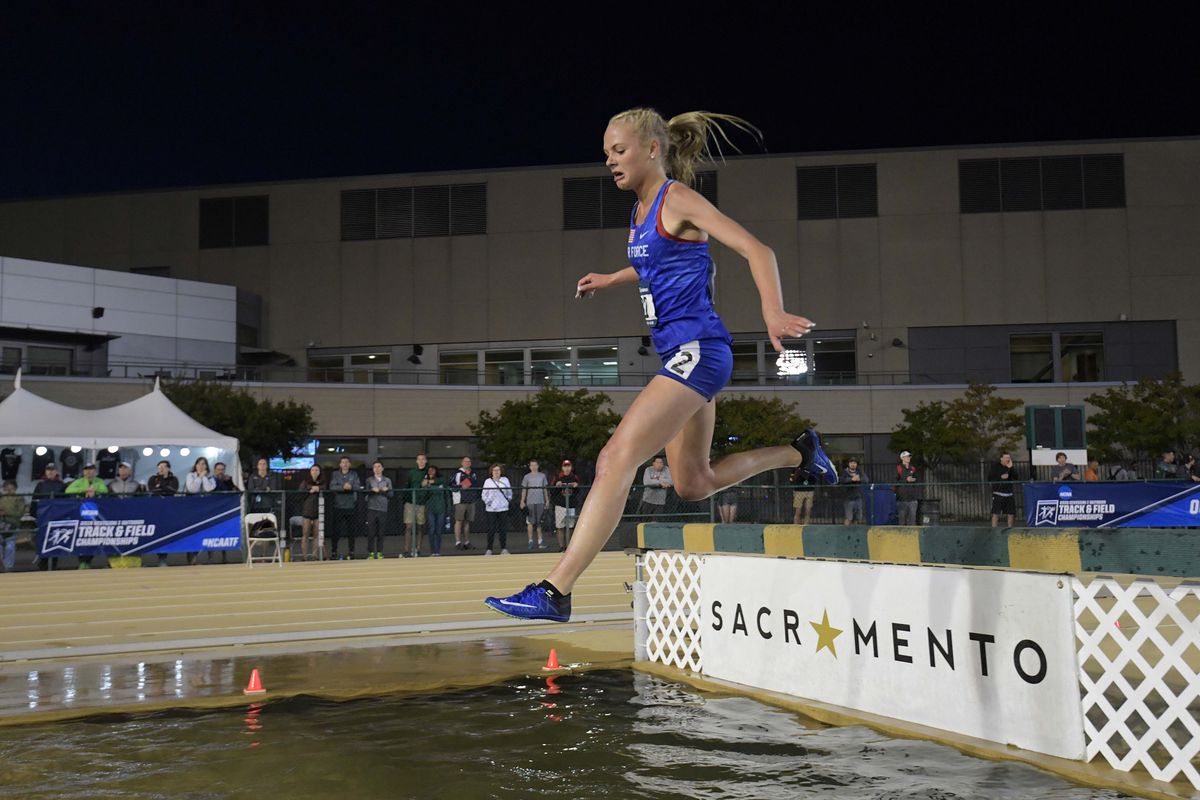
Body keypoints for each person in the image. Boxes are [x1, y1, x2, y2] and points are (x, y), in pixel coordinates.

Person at [486, 108, 836, 623]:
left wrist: (772, 310)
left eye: (619, 150)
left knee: (613, 460)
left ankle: (555, 591)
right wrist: (611, 278)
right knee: (693, 483)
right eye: (605, 153)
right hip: (685, 356)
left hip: (699, 352)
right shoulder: (641, 211)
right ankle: (800, 454)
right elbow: (655, 260)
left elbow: (756, 249)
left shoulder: (679, 199)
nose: (609, 161)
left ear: (652, 149)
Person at [66, 463, 109, 568]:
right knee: (80, 538)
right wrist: (84, 490)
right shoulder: (79, 481)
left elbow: (105, 490)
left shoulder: (99, 481)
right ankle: (82, 562)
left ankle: (87, 562)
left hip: (95, 515)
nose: (89, 472)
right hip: (81, 515)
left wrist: (95, 491)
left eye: (91, 469)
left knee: (92, 538)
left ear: (95, 471)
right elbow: (68, 490)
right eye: (86, 469)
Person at [32, 463, 66, 571]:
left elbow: (66, 501)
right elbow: (34, 501)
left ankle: (53, 565)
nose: (50, 472)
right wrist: (34, 514)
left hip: (57, 518)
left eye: (52, 470)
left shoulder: (61, 485)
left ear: (56, 471)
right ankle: (43, 564)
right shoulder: (40, 485)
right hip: (43, 518)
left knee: (55, 541)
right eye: (48, 470)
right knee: (43, 541)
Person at [183, 457, 215, 565]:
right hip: (192, 508)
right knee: (193, 532)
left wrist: (204, 477)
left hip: (207, 508)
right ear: (195, 465)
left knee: (209, 531)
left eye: (203, 464)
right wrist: (199, 477)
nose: (201, 466)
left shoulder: (210, 477)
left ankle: (210, 557)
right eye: (199, 464)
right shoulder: (190, 475)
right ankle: (192, 558)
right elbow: (193, 489)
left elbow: (209, 488)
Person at [146, 459, 179, 566]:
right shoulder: (153, 478)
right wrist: (164, 488)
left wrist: (160, 487)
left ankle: (163, 557)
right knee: (155, 532)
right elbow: (152, 490)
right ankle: (156, 555)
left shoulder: (173, 479)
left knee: (166, 532)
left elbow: (173, 490)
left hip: (169, 509)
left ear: (168, 468)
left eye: (163, 466)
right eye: (159, 467)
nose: (161, 468)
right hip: (155, 509)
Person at [329, 456, 362, 560]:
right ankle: (334, 551)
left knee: (351, 531)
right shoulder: (335, 474)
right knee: (336, 531)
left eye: (347, 462)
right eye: (343, 462)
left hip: (351, 506)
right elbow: (332, 487)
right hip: (338, 506)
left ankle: (351, 552)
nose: (345, 464)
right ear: (340, 464)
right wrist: (343, 487)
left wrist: (351, 487)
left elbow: (358, 486)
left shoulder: (354, 474)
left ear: (350, 464)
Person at [549, 460, 582, 552]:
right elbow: (551, 490)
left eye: (568, 466)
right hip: (560, 505)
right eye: (565, 466)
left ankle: (570, 546)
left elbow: (578, 491)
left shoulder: (574, 477)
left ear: (571, 467)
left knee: (570, 526)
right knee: (560, 526)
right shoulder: (558, 477)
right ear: (562, 467)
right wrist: (557, 486)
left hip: (571, 505)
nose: (567, 468)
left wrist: (577, 486)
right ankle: (561, 546)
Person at [481, 464, 513, 555]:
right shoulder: (488, 481)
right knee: (491, 529)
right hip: (491, 509)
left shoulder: (505, 480)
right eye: (494, 470)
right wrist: (489, 502)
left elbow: (509, 492)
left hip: (503, 508)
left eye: (498, 470)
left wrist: (507, 500)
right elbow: (484, 494)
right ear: (491, 472)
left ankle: (503, 548)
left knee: (503, 529)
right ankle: (489, 548)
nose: (496, 472)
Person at [364, 460, 392, 559]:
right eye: (375, 467)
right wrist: (372, 491)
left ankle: (380, 552)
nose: (377, 469)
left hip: (383, 509)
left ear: (382, 468)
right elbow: (365, 494)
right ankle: (371, 552)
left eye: (379, 466)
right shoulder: (369, 480)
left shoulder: (387, 480)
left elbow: (391, 494)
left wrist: (386, 491)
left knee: (381, 532)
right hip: (372, 508)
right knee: (371, 532)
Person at [519, 459, 549, 549]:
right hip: (530, 502)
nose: (533, 467)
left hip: (540, 501)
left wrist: (547, 500)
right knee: (530, 522)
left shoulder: (542, 476)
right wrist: (522, 501)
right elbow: (524, 489)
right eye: (532, 465)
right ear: (530, 467)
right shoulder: (527, 477)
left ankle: (540, 541)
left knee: (539, 522)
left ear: (538, 466)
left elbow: (545, 489)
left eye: (535, 465)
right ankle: (530, 541)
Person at [451, 456, 479, 550]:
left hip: (471, 500)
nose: (467, 463)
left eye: (469, 461)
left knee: (467, 521)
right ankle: (458, 542)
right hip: (460, 500)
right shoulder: (458, 473)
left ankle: (467, 542)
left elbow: (475, 484)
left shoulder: (473, 473)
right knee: (459, 521)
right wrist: (462, 486)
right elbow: (451, 484)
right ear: (462, 463)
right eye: (465, 461)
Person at [298, 464, 325, 561]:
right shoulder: (305, 482)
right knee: (305, 534)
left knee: (316, 535)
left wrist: (318, 488)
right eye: (313, 470)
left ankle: (315, 555)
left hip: (319, 511)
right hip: (307, 511)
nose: (315, 472)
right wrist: (310, 490)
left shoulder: (322, 482)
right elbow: (300, 494)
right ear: (310, 471)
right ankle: (304, 556)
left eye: (317, 470)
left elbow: (325, 488)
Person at [403, 454, 428, 557]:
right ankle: (406, 550)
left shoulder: (429, 472)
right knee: (408, 526)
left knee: (420, 527)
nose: (421, 461)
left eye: (423, 459)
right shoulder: (412, 473)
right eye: (419, 459)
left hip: (422, 504)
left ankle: (418, 549)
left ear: (426, 461)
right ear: (416, 461)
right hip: (410, 503)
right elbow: (407, 486)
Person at [0, 480, 26, 574]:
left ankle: (8, 568)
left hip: (13, 526)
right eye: (6, 489)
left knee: (10, 546)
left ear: (15, 489)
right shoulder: (1, 498)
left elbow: (19, 513)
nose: (8, 491)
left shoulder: (19, 498)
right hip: (1, 525)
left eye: (10, 489)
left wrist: (5, 512)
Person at [421, 464, 447, 556]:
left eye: (433, 470)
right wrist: (425, 486)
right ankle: (432, 551)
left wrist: (430, 482)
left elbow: (444, 487)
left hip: (441, 508)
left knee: (439, 530)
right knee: (431, 529)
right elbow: (424, 494)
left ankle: (438, 550)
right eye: (429, 470)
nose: (431, 472)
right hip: (430, 508)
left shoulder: (441, 480)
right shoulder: (426, 482)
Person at [989, 453, 1019, 528]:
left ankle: (1009, 529)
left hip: (1009, 493)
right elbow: (990, 477)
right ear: (1001, 458)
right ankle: (994, 530)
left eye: (1009, 457)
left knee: (1011, 513)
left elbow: (1016, 477)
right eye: (1006, 457)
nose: (1008, 459)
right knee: (995, 513)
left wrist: (1011, 468)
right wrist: (1000, 477)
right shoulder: (995, 466)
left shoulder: (1010, 467)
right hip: (998, 493)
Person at [894, 451, 919, 526]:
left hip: (912, 499)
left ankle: (912, 537)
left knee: (912, 521)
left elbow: (916, 479)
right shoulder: (898, 468)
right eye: (907, 456)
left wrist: (914, 480)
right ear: (902, 458)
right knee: (902, 521)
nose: (908, 458)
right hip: (902, 499)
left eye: (909, 456)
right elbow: (894, 481)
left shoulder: (912, 468)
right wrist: (906, 480)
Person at [840, 459, 868, 526]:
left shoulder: (859, 471)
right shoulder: (845, 472)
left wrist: (859, 479)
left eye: (854, 463)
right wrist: (851, 479)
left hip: (858, 497)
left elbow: (866, 480)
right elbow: (841, 480)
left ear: (857, 464)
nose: (853, 464)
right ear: (848, 464)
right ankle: (845, 533)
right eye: (851, 463)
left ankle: (855, 533)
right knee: (849, 517)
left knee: (858, 518)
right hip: (848, 498)